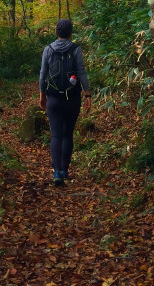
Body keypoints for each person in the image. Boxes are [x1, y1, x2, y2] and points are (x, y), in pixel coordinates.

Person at [39, 18, 91, 186]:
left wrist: (42, 95)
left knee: (56, 135)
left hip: (53, 98)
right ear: (70, 33)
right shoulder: (76, 49)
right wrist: (88, 94)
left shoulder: (48, 49)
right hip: (72, 98)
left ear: (56, 32)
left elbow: (42, 73)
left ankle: (56, 173)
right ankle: (64, 170)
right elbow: (81, 72)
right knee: (67, 134)